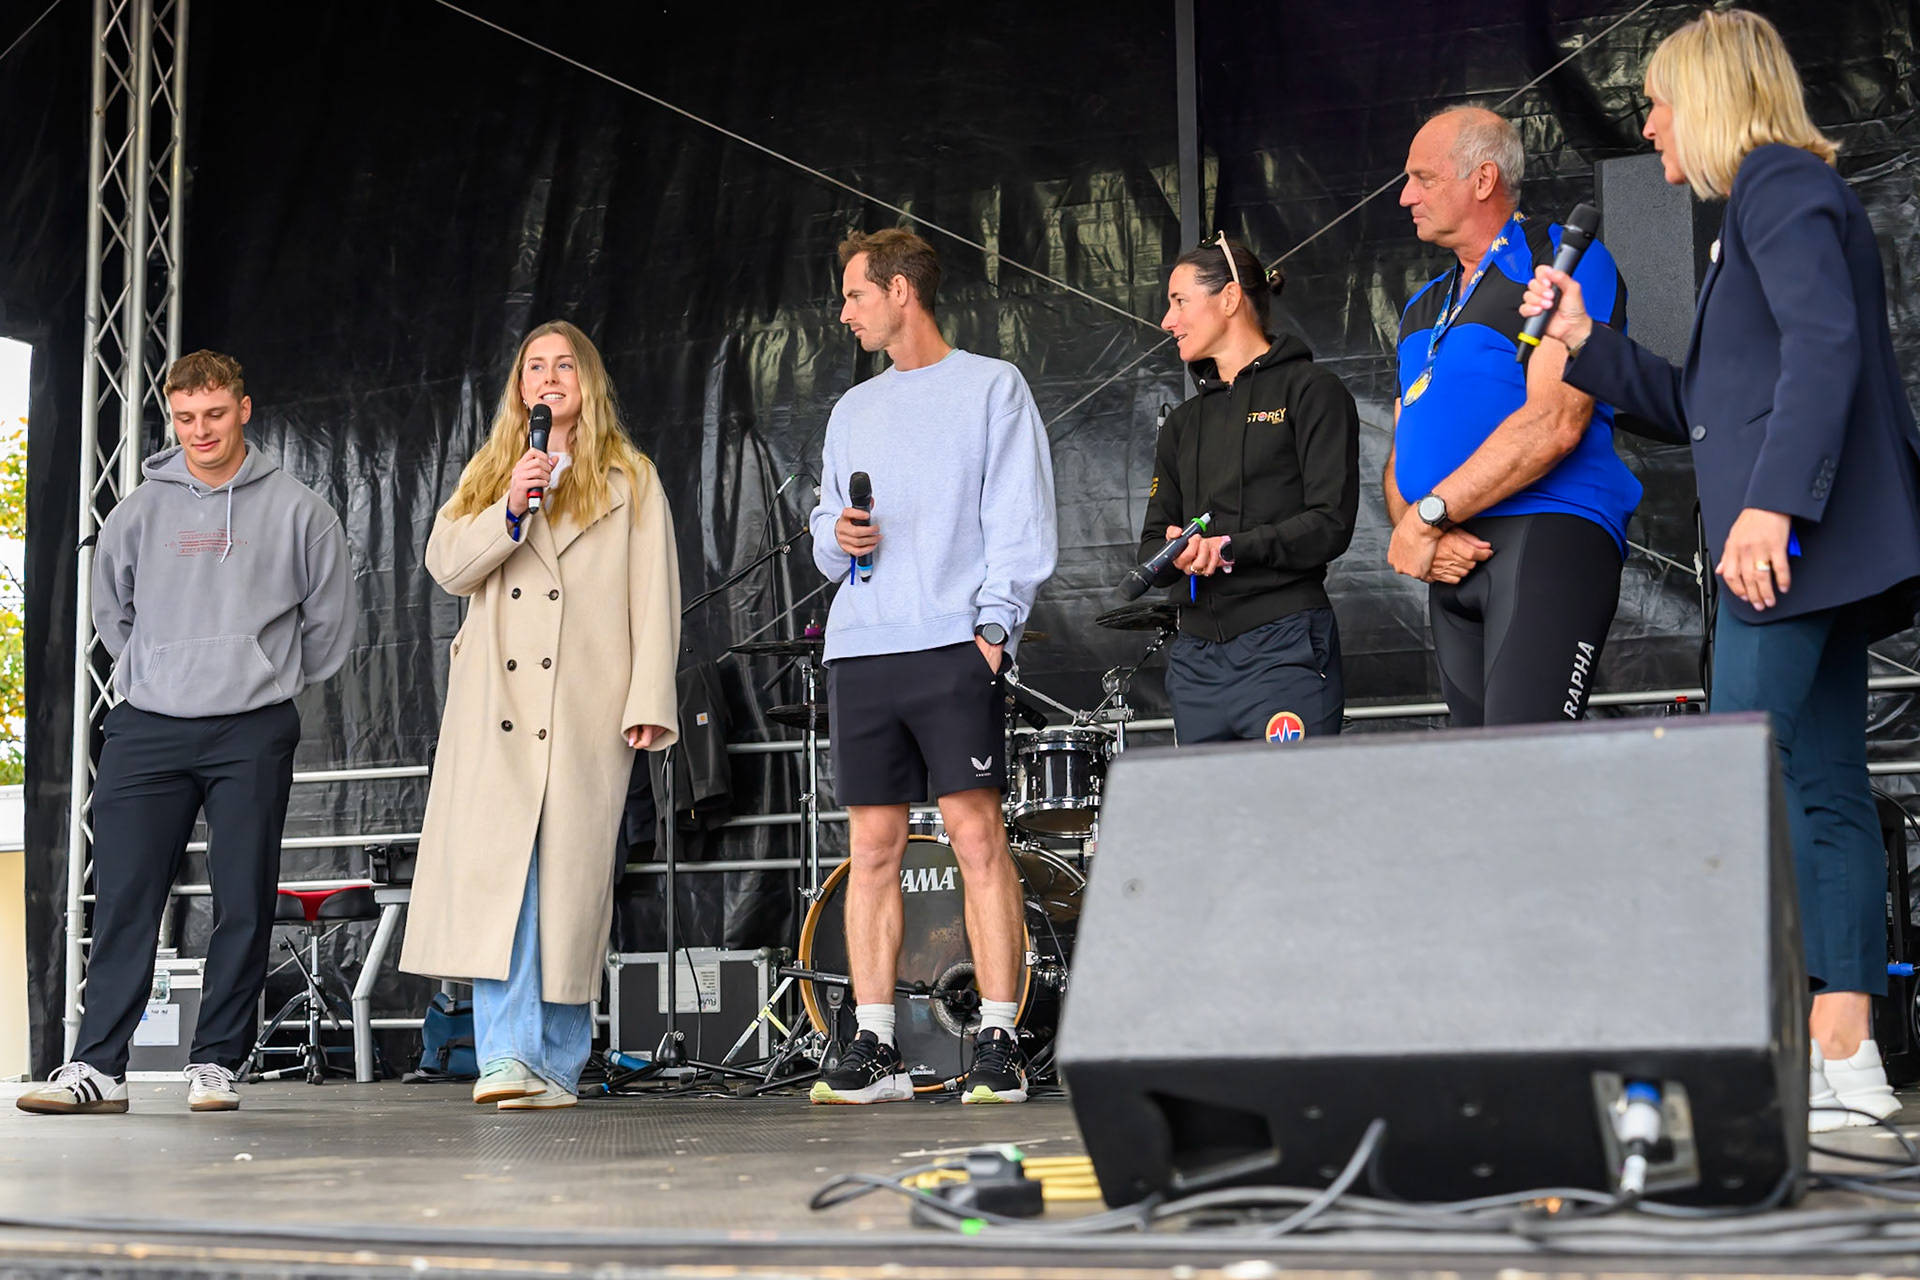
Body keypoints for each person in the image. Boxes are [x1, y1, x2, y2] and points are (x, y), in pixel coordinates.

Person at [1519, 9, 1920, 1131]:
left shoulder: (1779, 185)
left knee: (1749, 768)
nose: (1648, 125)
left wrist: (1772, 507)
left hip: (1791, 541)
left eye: (1656, 103)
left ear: (1708, 98)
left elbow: (1826, 350)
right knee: (1823, 777)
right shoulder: (1760, 211)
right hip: (1818, 547)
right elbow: (1703, 404)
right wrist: (1584, 342)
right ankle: (1846, 1057)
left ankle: (1794, 1038)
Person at [19, 351, 352, 1115]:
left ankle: (216, 1063)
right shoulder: (139, 510)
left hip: (251, 726)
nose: (200, 430)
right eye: (185, 417)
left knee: (243, 899)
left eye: (215, 413)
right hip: (149, 724)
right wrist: (159, 670)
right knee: (125, 896)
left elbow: (330, 626)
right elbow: (112, 612)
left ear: (244, 409)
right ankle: (97, 1068)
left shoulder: (302, 511)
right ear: (172, 418)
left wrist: (261, 679)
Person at [400, 320, 680, 1111]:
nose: (548, 378)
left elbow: (655, 594)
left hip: (584, 703)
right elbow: (447, 565)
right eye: (534, 367)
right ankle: (505, 1057)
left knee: (568, 890)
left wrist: (648, 698)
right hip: (497, 707)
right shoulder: (494, 470)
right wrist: (509, 509)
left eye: (563, 365)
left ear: (588, 381)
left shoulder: (630, 476)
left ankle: (556, 1064)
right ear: (519, 387)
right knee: (505, 886)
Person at [808, 228, 1057, 1104]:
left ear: (900, 290)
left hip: (953, 644)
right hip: (863, 648)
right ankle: (875, 1044)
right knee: (872, 848)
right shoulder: (852, 409)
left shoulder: (991, 386)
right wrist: (836, 535)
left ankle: (999, 1038)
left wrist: (993, 629)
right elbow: (824, 531)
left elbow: (1020, 520)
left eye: (855, 294)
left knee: (977, 839)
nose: (845, 312)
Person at [1385, 106, 1643, 726]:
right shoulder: (1420, 307)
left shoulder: (1560, 262)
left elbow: (1555, 422)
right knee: (1481, 773)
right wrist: (1418, 527)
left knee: (1530, 763)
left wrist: (1428, 516)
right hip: (1449, 554)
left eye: (1423, 178)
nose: (1405, 197)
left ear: (1482, 179)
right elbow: (1401, 449)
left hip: (1546, 532)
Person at [1140, 235, 1359, 743]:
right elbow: (1150, 545)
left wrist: (1231, 548)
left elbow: (1330, 523)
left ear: (1230, 298)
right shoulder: (1182, 424)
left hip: (1284, 643)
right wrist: (1176, 552)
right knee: (1207, 799)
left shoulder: (1311, 390)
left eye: (1179, 301)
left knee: (1287, 796)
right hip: (1194, 661)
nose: (1167, 320)